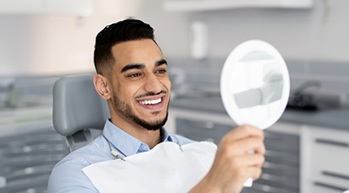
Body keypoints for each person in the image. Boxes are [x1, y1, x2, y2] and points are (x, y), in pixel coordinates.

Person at [48, 18, 265, 193]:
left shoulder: (207, 154)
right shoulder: (76, 175)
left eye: (160, 71)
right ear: (104, 87)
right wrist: (212, 187)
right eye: (135, 74)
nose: (155, 86)